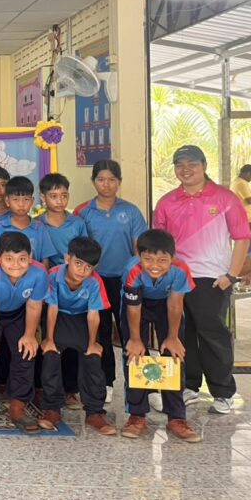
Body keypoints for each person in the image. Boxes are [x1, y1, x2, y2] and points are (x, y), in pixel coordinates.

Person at [153, 145, 250, 415]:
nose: (185, 170)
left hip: (212, 279)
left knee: (213, 335)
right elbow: (158, 242)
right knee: (181, 334)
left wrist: (231, 275)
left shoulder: (225, 198)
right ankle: (189, 387)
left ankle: (223, 392)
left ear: (204, 165)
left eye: (192, 164)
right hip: (176, 279)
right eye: (179, 165)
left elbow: (242, 237)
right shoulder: (167, 201)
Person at [75, 159, 148, 402]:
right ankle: (105, 382)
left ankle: (141, 385)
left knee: (133, 333)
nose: (106, 185)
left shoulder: (131, 211)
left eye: (112, 180)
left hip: (127, 282)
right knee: (101, 333)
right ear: (93, 181)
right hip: (96, 283)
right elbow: (81, 250)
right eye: (101, 179)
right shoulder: (83, 212)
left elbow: (140, 249)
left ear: (119, 182)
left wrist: (136, 277)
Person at [120, 229, 202, 442]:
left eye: (162, 260)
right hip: (136, 307)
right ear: (139, 256)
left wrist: (172, 338)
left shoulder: (180, 270)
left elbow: (175, 304)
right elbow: (133, 308)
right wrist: (136, 340)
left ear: (172, 258)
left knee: (173, 355)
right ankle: (137, 415)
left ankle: (177, 417)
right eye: (148, 259)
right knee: (134, 356)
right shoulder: (132, 270)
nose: (155, 265)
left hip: (166, 305)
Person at [37, 237, 117, 436]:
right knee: (51, 354)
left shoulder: (95, 281)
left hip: (83, 318)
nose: (82, 270)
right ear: (67, 259)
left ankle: (94, 412)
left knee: (93, 357)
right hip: (59, 317)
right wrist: (49, 339)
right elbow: (52, 308)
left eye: (88, 267)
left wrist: (92, 343)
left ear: (94, 268)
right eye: (78, 263)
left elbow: (93, 315)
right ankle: (52, 409)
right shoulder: (53, 275)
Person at [0, 232, 46, 434]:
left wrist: (29, 335)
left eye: (22, 259)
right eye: (9, 259)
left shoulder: (39, 273)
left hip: (19, 312)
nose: (16, 265)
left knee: (26, 352)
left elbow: (34, 306)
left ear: (30, 258)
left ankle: (18, 405)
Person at [37, 172, 88, 406]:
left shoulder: (77, 223)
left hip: (74, 286)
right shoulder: (38, 224)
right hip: (47, 285)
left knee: (71, 337)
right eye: (54, 196)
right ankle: (42, 387)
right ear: (43, 197)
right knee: (46, 336)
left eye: (64, 195)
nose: (59, 200)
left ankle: (70, 389)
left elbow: (85, 253)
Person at [0, 176, 56, 266]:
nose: (21, 204)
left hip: (35, 274)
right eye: (15, 199)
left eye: (26, 199)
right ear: (7, 201)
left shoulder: (39, 227)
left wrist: (42, 274)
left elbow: (45, 259)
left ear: (32, 201)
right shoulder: (0, 227)